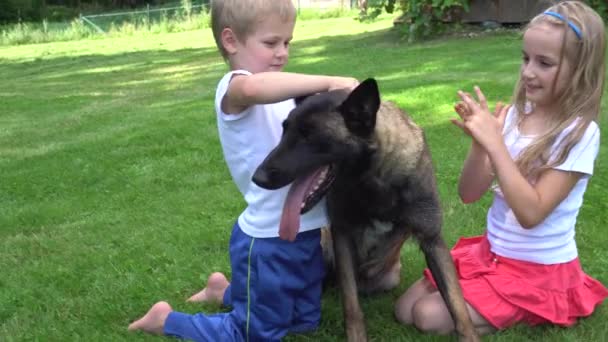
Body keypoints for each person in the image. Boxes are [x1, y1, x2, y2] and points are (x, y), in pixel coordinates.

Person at [127, 0, 358, 341]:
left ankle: (223, 291)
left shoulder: (281, 91)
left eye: (287, 43)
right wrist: (328, 81)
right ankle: (167, 320)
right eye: (271, 43)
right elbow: (252, 89)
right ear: (231, 41)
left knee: (303, 320)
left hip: (306, 230)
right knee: (255, 332)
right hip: (266, 239)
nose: (282, 53)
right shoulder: (235, 88)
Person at [394, 0, 608, 336]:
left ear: (580, 70)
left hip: (537, 271)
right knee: (404, 310)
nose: (528, 72)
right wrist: (482, 146)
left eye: (544, 63)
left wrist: (496, 145)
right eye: (526, 58)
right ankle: (489, 296)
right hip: (491, 255)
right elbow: (468, 194)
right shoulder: (515, 115)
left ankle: (537, 306)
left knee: (426, 316)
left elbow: (532, 213)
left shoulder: (578, 133)